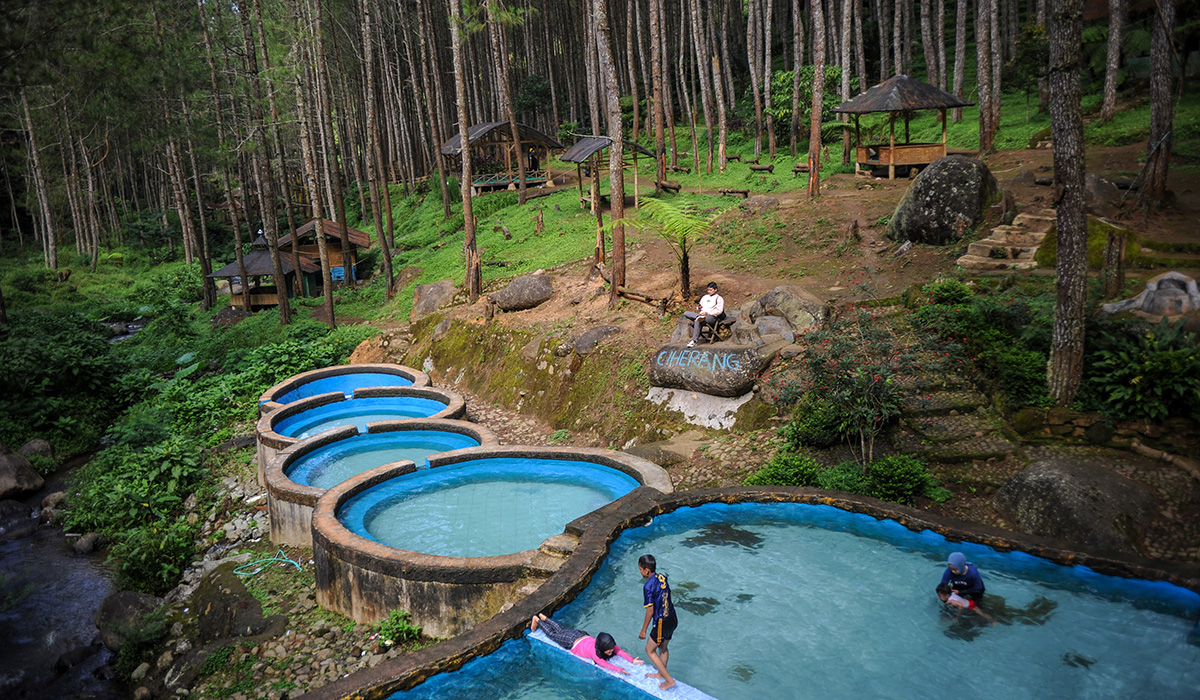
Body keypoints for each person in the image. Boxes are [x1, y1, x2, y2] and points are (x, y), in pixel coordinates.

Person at [530, 613, 643, 674]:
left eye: (611, 649)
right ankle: (538, 620)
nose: (611, 651)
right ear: (602, 648)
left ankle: (545, 618)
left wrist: (632, 660)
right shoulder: (595, 652)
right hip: (572, 641)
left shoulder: (606, 644)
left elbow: (620, 651)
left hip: (581, 635)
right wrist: (620, 670)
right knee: (553, 635)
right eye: (609, 651)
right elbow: (604, 664)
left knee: (561, 630)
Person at [638, 554, 679, 690]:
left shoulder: (648, 587)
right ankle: (661, 674)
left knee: (649, 650)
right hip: (672, 618)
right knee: (663, 648)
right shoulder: (662, 577)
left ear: (646, 570)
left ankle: (669, 680)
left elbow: (650, 611)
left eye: (640, 569)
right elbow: (668, 592)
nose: (640, 572)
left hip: (662, 621)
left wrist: (643, 630)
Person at [683, 282, 725, 348]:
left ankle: (694, 341)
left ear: (715, 289)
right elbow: (699, 308)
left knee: (697, 320)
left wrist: (707, 313)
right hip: (701, 315)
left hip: (711, 317)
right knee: (686, 313)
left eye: (711, 290)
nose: (709, 291)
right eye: (708, 290)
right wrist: (699, 308)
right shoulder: (705, 297)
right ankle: (699, 317)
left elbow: (719, 311)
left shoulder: (719, 298)